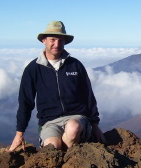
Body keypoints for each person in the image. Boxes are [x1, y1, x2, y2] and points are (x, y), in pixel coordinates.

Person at [8, 21, 105, 151]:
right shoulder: (33, 69)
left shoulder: (75, 65)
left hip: (77, 118)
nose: (57, 44)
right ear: (44, 40)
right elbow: (26, 101)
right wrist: (19, 133)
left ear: (65, 42)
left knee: (72, 128)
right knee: (52, 146)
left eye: (60, 40)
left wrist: (95, 124)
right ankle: (64, 157)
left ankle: (70, 158)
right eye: (52, 40)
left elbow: (88, 95)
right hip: (49, 122)